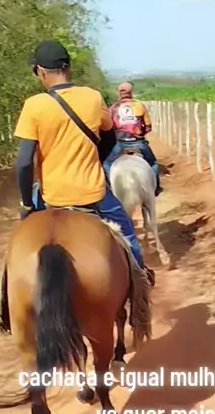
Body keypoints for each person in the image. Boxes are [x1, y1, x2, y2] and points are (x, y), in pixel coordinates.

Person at [14, 40, 147, 271]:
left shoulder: (34, 105)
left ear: (41, 71)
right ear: (68, 67)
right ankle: (141, 276)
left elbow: (24, 163)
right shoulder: (93, 97)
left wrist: (26, 204)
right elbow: (109, 139)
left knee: (19, 244)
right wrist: (93, 162)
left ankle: (5, 289)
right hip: (92, 193)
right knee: (127, 233)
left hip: (51, 195)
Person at [104, 82, 162, 196]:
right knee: (153, 163)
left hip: (119, 143)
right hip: (138, 142)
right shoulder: (139, 106)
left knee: (107, 164)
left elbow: (109, 127)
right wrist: (140, 134)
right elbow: (148, 126)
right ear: (131, 92)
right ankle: (155, 189)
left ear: (119, 92)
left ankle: (112, 188)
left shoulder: (113, 108)